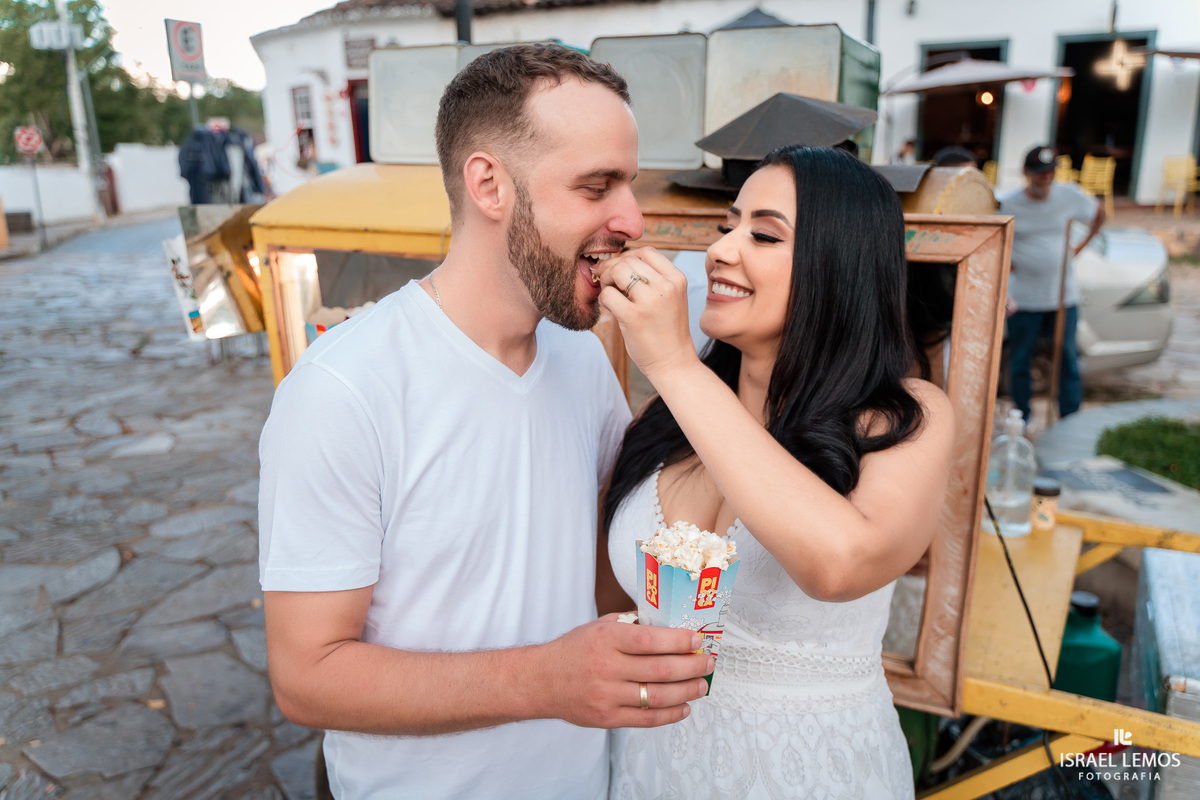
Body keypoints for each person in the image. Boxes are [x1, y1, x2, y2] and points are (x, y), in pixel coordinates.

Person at [257, 44, 713, 800]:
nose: (632, 219)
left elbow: (602, 585)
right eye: (597, 186)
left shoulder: (585, 363)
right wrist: (545, 681)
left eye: (627, 185)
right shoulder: (342, 390)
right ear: (489, 184)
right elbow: (307, 678)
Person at [595, 145, 955, 799]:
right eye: (726, 226)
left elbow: (839, 564)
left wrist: (675, 363)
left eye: (762, 234)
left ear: (837, 266)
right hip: (650, 765)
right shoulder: (670, 422)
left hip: (810, 773)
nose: (722, 250)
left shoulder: (904, 418)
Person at [999, 145, 1104, 421]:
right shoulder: (1009, 204)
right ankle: (1022, 416)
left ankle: (1070, 416)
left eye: (1050, 173)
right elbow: (997, 239)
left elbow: (1098, 213)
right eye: (1039, 173)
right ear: (1026, 173)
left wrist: (1079, 248)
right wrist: (1007, 261)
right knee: (1020, 359)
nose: (1045, 179)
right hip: (1024, 298)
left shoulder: (1068, 194)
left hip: (1062, 296)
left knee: (1067, 356)